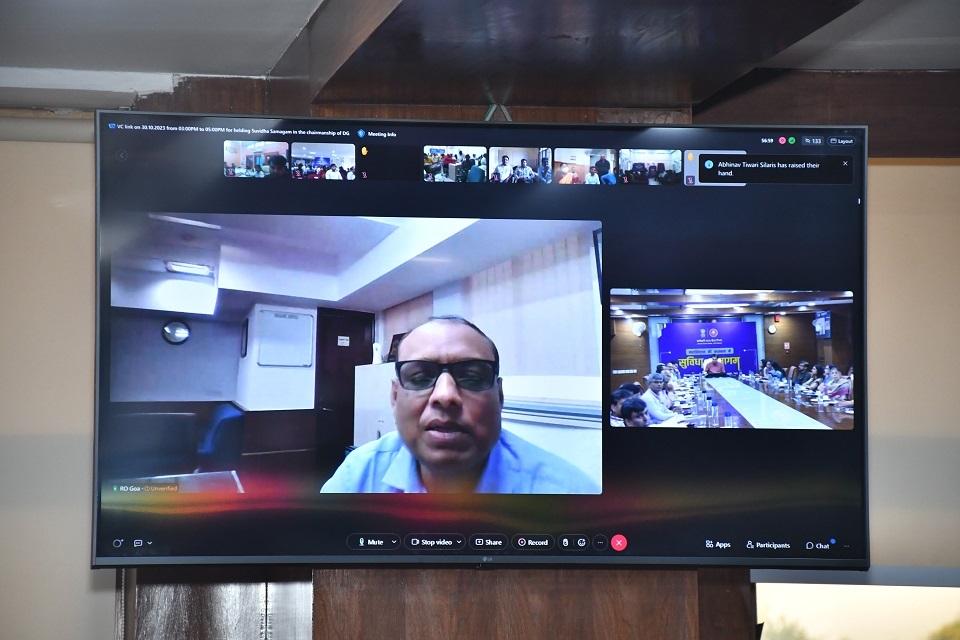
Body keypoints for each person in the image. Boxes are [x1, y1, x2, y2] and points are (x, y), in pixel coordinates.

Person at [321, 316, 599, 494]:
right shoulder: (358, 475)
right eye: (419, 377)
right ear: (395, 397)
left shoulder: (570, 494)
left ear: (500, 397)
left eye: (473, 377)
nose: (445, 396)